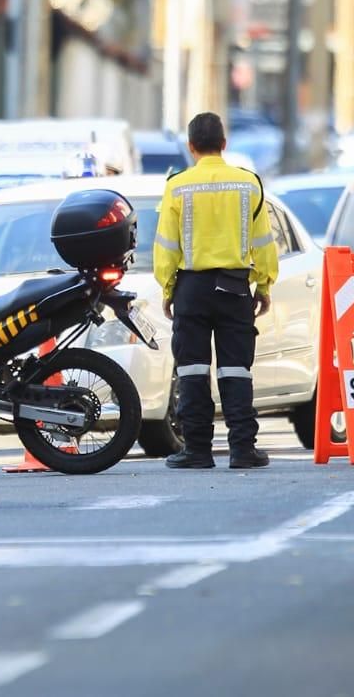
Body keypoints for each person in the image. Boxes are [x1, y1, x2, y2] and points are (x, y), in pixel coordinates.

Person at [153, 112, 280, 470]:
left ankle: (196, 450)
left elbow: (166, 246)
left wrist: (168, 288)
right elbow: (264, 242)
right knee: (236, 369)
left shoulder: (177, 186)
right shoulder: (248, 183)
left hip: (191, 289)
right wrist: (264, 284)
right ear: (224, 145)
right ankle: (243, 450)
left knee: (192, 369)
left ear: (191, 147)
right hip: (235, 288)